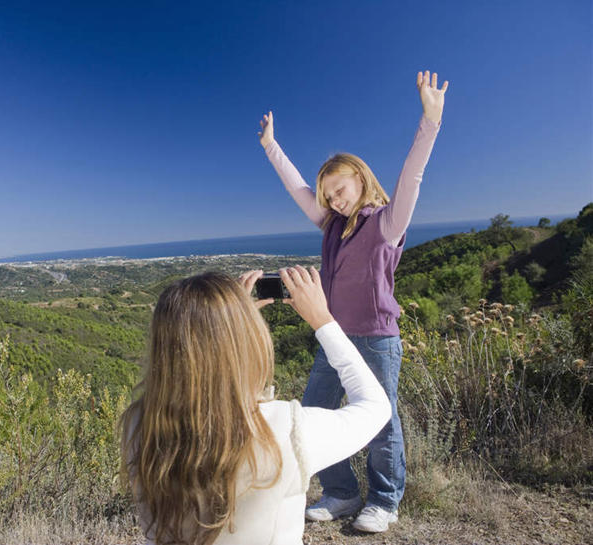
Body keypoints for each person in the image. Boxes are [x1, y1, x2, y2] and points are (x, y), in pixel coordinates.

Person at [256, 71, 448, 532]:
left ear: (360, 179)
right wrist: (270, 147)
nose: (334, 200)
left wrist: (431, 121)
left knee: (380, 421)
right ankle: (341, 493)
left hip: (378, 339)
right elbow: (298, 188)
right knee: (315, 414)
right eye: (329, 196)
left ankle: (385, 500)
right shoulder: (331, 228)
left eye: (339, 190)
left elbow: (412, 175)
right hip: (334, 336)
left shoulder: (386, 223)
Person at [120, 267, 390, 545]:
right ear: (249, 339)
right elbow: (375, 405)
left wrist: (229, 320)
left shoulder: (139, 425)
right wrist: (323, 321)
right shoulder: (286, 429)